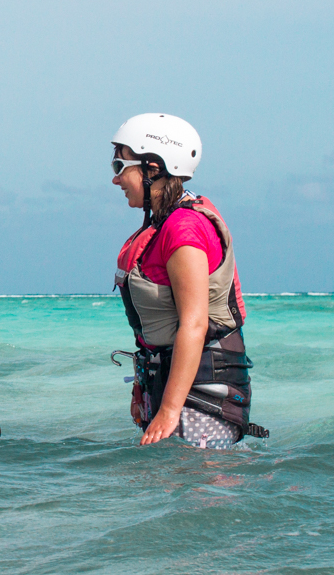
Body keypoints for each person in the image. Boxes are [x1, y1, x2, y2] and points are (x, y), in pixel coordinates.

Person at [110, 113, 267, 448]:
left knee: (193, 483)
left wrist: (169, 410)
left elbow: (195, 324)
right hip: (174, 394)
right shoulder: (163, 225)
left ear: (153, 168)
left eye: (120, 166)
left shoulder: (184, 229)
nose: (115, 178)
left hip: (200, 402)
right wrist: (142, 388)